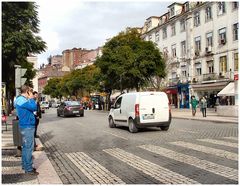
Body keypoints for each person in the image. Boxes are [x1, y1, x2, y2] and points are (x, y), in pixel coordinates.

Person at [14, 85, 38, 175]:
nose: (31, 93)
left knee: (25, 147)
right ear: (27, 91)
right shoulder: (22, 100)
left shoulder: (20, 99)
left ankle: (25, 165)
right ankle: (28, 168)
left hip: (25, 125)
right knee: (28, 148)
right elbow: (34, 107)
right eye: (30, 91)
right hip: (27, 126)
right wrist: (32, 99)